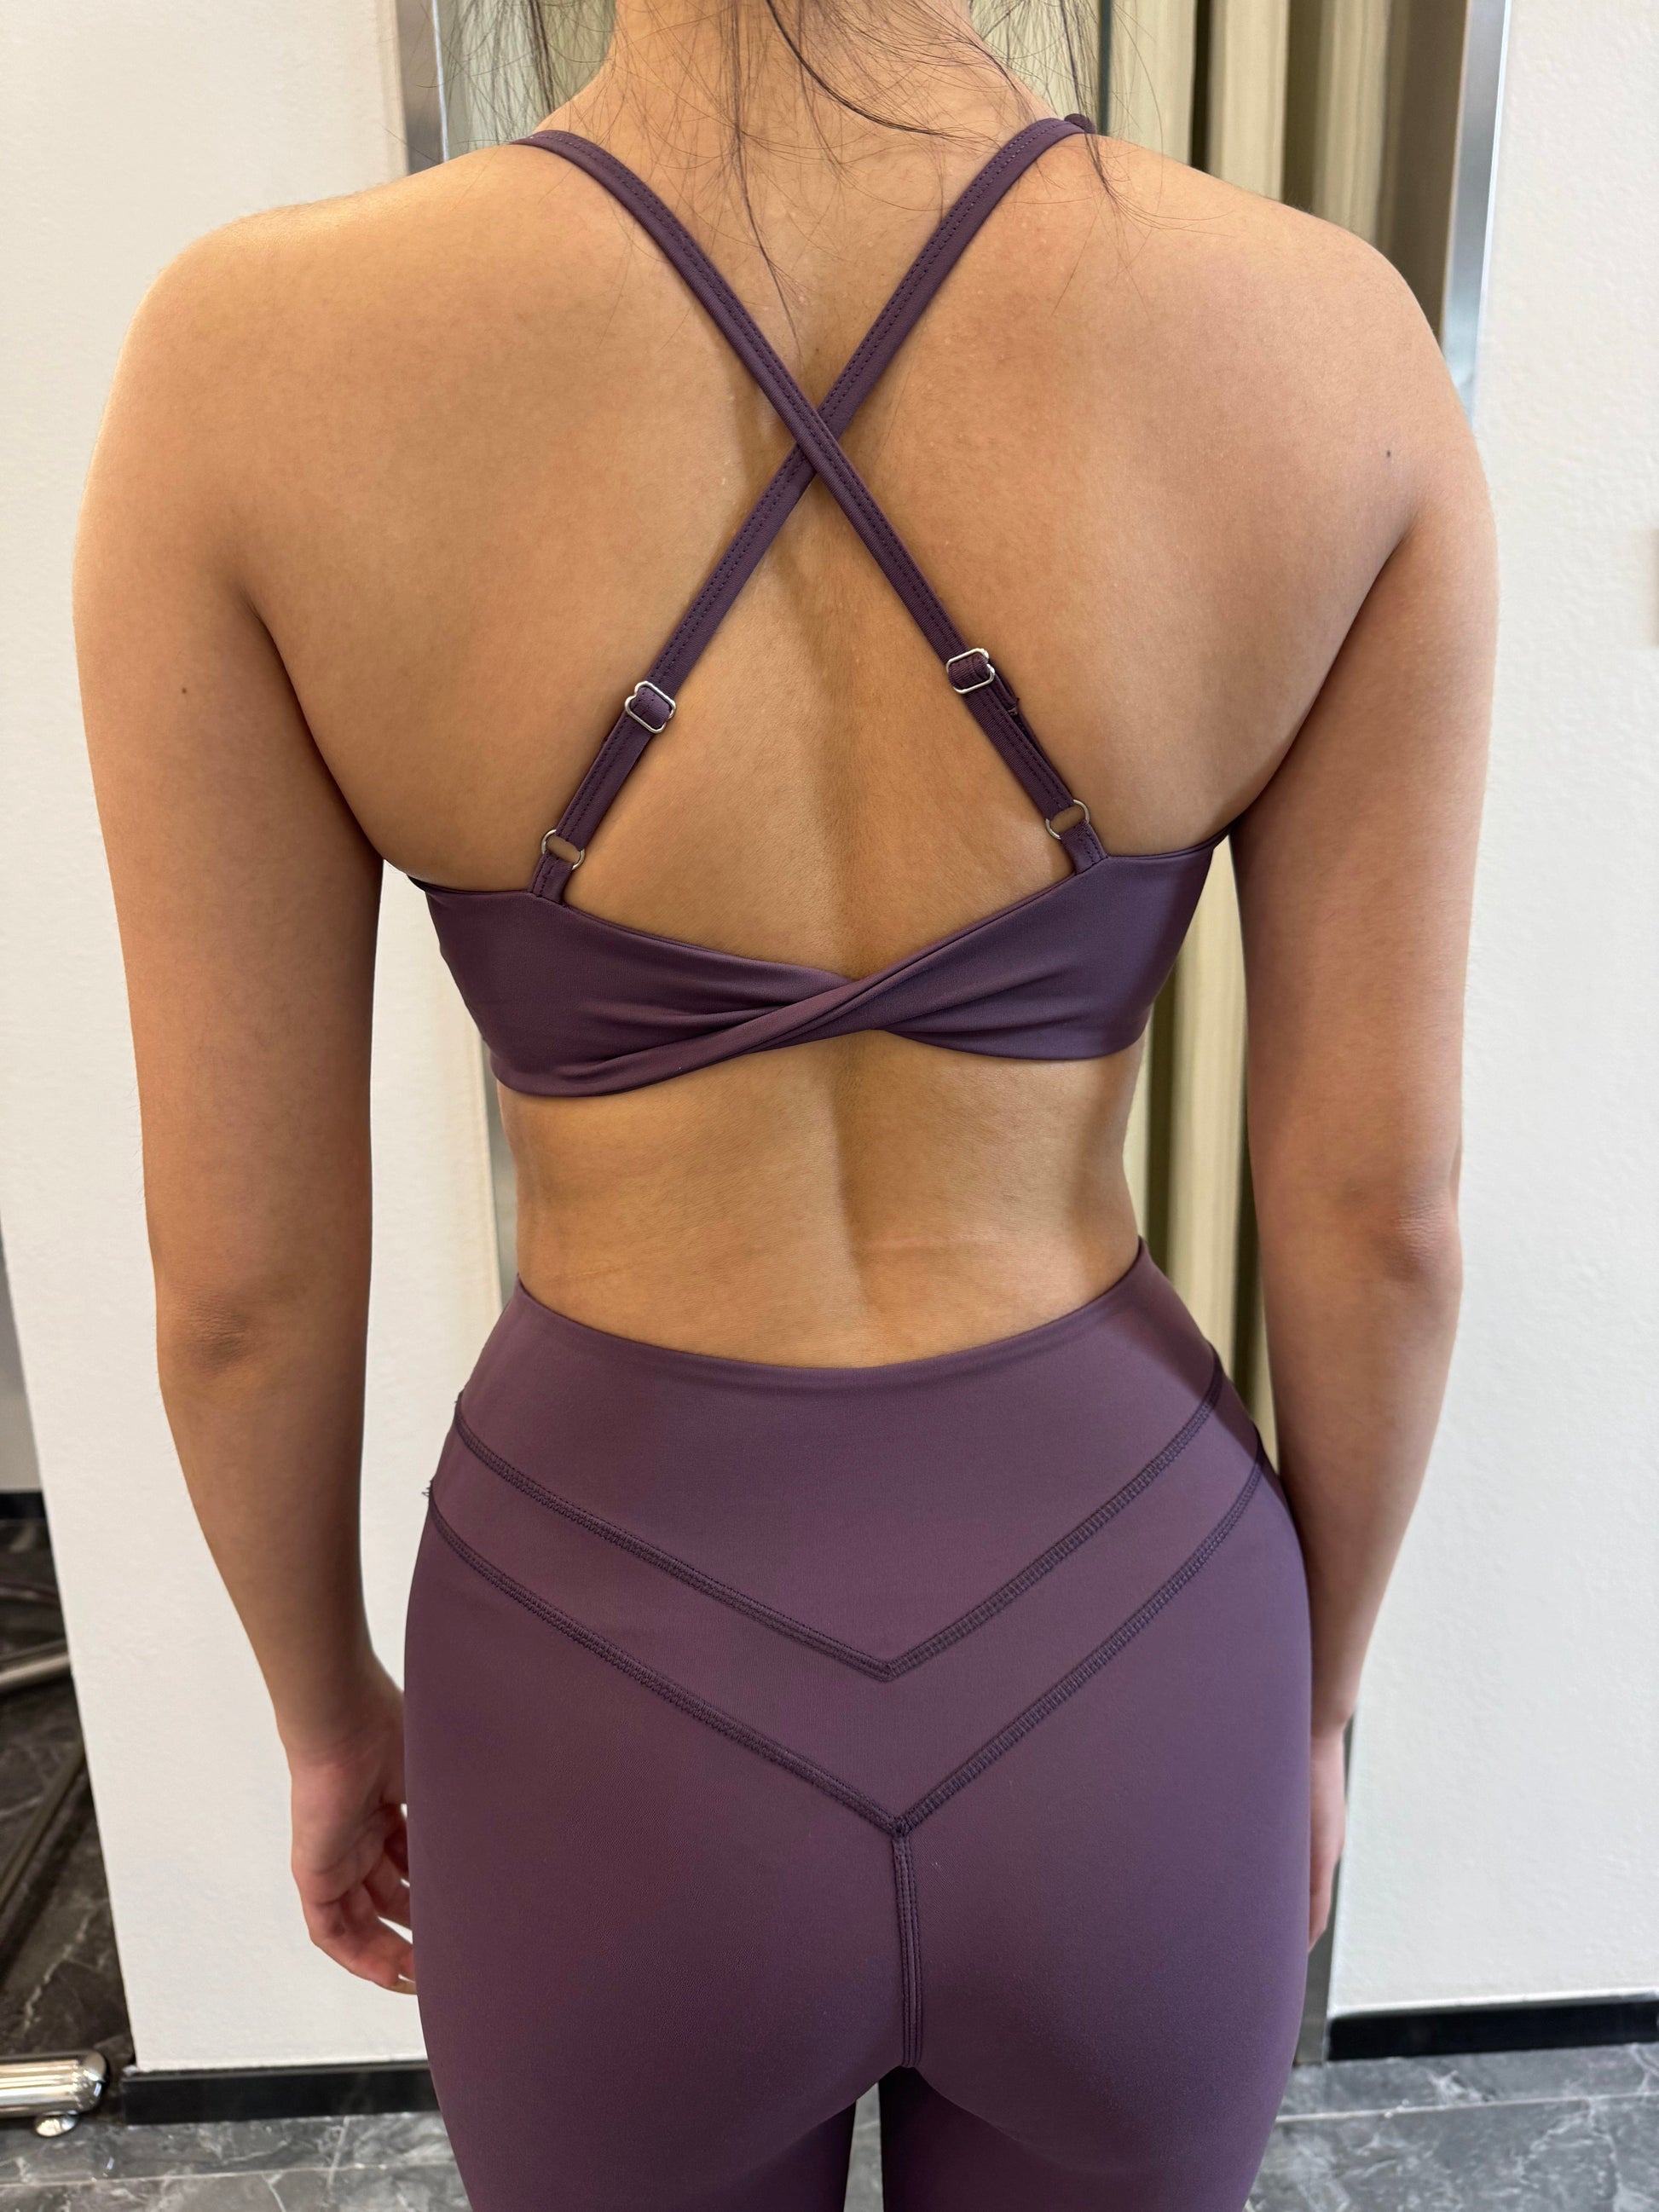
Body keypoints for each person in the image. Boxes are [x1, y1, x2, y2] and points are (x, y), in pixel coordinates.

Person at [74, 0, 1494, 2198]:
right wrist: (1302, 1700)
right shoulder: (1334, 348)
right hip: (1134, 1654)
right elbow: (1381, 1220)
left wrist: (326, 1710)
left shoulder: (244, 367)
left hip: (593, 1688)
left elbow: (241, 1291)